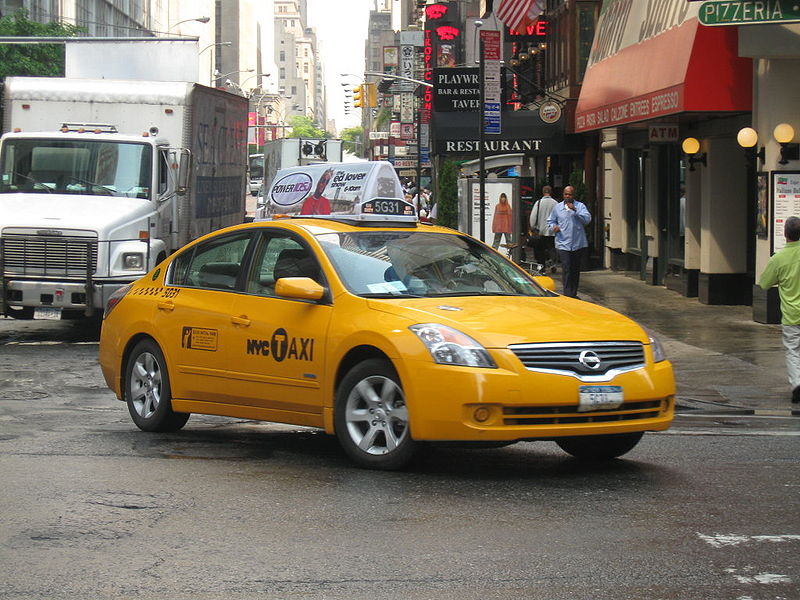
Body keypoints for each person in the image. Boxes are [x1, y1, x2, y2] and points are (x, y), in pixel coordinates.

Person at [758, 216, 800, 404]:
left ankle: (797, 385)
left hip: (792, 314)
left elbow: (765, 284)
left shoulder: (779, 258)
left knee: (793, 351)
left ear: (785, 234)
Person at [547, 185, 591, 298]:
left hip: (577, 244)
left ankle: (573, 293)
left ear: (573, 195)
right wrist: (553, 227)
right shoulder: (557, 208)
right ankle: (567, 294)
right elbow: (550, 221)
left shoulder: (580, 206)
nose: (567, 196)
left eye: (570, 194)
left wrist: (575, 211)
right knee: (566, 268)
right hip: (563, 243)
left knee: (575, 269)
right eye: (566, 194)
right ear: (563, 195)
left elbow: (587, 220)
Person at [529, 185, 558, 271]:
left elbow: (533, 217)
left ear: (543, 192)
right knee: (551, 247)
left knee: (540, 249)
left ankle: (542, 266)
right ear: (551, 192)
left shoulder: (538, 203)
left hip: (540, 231)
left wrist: (532, 226)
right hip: (552, 231)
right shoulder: (555, 203)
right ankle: (553, 263)